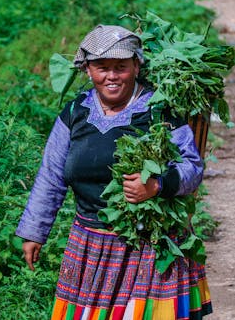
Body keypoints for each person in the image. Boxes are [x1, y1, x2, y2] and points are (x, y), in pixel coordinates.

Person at [15, 24, 212, 320]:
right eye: (102, 67)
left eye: (120, 67)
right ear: (88, 70)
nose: (111, 76)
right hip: (90, 244)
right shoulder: (75, 112)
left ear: (136, 66)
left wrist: (157, 185)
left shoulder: (159, 111)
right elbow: (51, 176)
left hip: (149, 245)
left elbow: (192, 167)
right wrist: (34, 232)